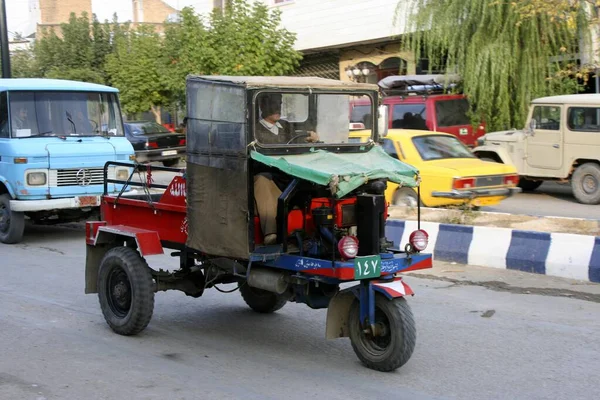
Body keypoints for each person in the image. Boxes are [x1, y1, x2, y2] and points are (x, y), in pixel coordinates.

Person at [254, 93, 319, 245]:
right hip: (271, 179)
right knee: (261, 180)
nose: (277, 109)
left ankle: (318, 228)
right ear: (262, 107)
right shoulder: (255, 130)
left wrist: (311, 139)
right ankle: (270, 233)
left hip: (290, 177)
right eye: (272, 105)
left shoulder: (287, 126)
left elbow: (300, 139)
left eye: (279, 105)